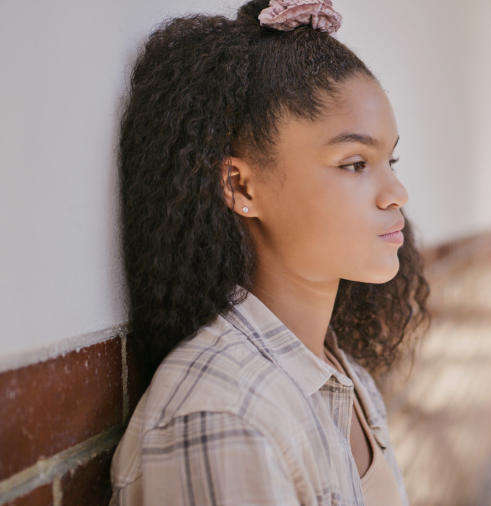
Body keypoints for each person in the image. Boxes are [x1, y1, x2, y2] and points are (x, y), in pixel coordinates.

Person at [111, 1, 430, 504]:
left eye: (389, 159)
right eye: (354, 163)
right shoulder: (224, 414)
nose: (397, 193)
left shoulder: (347, 379)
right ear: (241, 186)